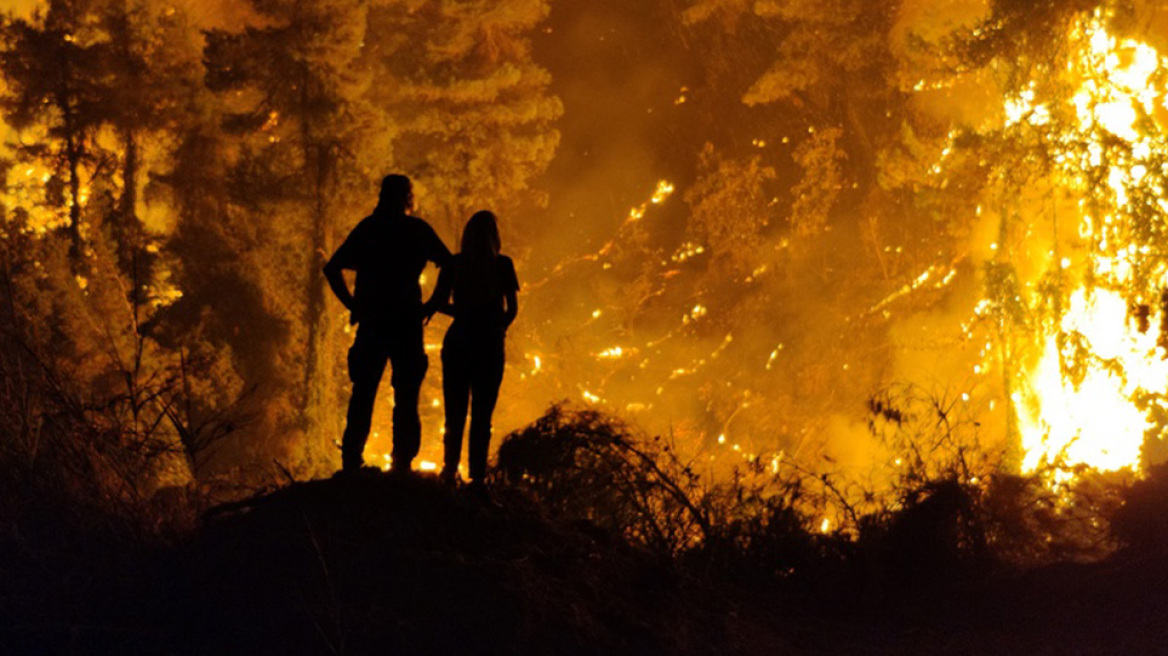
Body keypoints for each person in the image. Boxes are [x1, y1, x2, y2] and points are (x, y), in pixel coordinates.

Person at [323, 174, 451, 474]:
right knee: (407, 395)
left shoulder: (370, 228)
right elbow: (450, 264)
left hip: (373, 321)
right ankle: (402, 464)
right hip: (407, 321)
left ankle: (352, 461)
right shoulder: (416, 230)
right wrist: (433, 304)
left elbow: (332, 267)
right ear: (408, 197)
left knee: (363, 392)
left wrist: (353, 305)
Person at [424, 211, 518, 493]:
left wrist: (462, 312)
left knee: (454, 412)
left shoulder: (455, 263)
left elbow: (438, 302)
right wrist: (497, 325)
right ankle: (477, 478)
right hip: (489, 344)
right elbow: (512, 308)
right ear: (495, 236)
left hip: (459, 341)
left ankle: (449, 470)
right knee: (482, 415)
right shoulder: (503, 264)